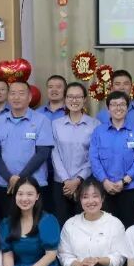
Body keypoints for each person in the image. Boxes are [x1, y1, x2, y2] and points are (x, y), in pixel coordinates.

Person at [0, 80, 54, 222]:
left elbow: (42, 153)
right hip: (5, 185)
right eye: (12, 93)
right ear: (8, 97)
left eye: (21, 93)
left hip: (35, 185)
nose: (16, 97)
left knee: (35, 224)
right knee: (8, 224)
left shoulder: (42, 121)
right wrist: (10, 178)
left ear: (29, 97)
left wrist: (20, 179)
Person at [89, 91, 134, 227]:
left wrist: (124, 181)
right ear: (108, 108)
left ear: (127, 108)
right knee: (105, 229)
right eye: (114, 104)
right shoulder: (99, 131)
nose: (118, 108)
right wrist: (104, 181)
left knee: (130, 228)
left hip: (130, 188)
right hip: (104, 188)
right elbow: (94, 159)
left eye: (122, 104)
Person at [50, 82, 98, 225]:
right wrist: (66, 181)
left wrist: (77, 180)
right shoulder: (56, 124)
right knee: (62, 223)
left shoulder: (95, 125)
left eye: (78, 97)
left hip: (85, 182)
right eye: (70, 97)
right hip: (61, 183)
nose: (74, 100)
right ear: (65, 99)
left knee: (85, 223)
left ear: (85, 100)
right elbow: (55, 154)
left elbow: (94, 156)